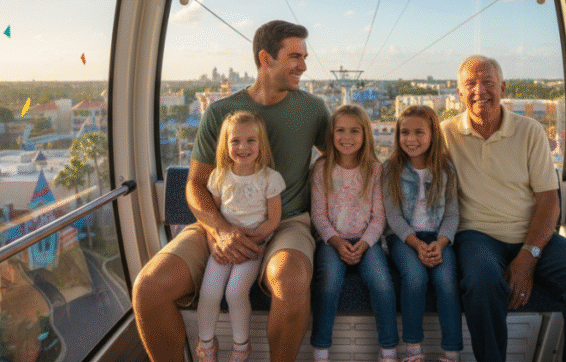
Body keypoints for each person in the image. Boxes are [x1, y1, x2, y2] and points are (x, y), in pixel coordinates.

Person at [133, 20, 330, 362]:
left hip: (285, 222)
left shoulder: (313, 109)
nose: (303, 65)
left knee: (292, 281)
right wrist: (220, 229)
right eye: (294, 56)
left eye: (304, 56)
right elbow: (196, 184)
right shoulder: (220, 113)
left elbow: (348, 158)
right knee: (148, 288)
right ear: (266, 59)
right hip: (220, 219)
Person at [442, 55, 566, 362]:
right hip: (476, 234)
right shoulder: (446, 134)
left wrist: (528, 255)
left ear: (503, 88)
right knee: (483, 283)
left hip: (532, 232)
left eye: (488, 82)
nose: (479, 90)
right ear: (459, 93)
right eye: (470, 83)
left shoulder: (529, 131)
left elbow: (548, 200)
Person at [311, 104, 398, 362]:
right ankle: (320, 351)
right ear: (331, 134)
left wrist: (364, 243)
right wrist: (336, 242)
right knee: (328, 282)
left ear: (365, 135)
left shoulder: (374, 169)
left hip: (366, 241)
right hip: (331, 241)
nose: (346, 137)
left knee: (382, 282)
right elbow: (318, 215)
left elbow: (379, 217)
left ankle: (389, 350)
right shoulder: (322, 168)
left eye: (354, 131)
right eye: (340, 130)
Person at [196, 111, 285, 362]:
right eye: (235, 141)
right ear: (226, 144)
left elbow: (273, 220)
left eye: (250, 141)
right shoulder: (219, 176)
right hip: (224, 245)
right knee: (210, 292)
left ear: (261, 144)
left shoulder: (270, 178)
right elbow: (213, 216)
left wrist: (252, 239)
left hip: (253, 246)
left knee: (235, 292)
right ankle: (206, 346)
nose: (243, 147)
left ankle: (241, 347)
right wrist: (215, 242)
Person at [383, 105, 462, 362]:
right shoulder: (390, 169)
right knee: (415, 278)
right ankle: (414, 350)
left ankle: (451, 352)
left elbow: (452, 215)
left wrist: (440, 243)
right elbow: (393, 217)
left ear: (433, 135)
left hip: (438, 238)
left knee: (447, 282)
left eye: (419, 132)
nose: (411, 139)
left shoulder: (446, 170)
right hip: (404, 238)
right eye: (405, 132)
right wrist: (417, 244)